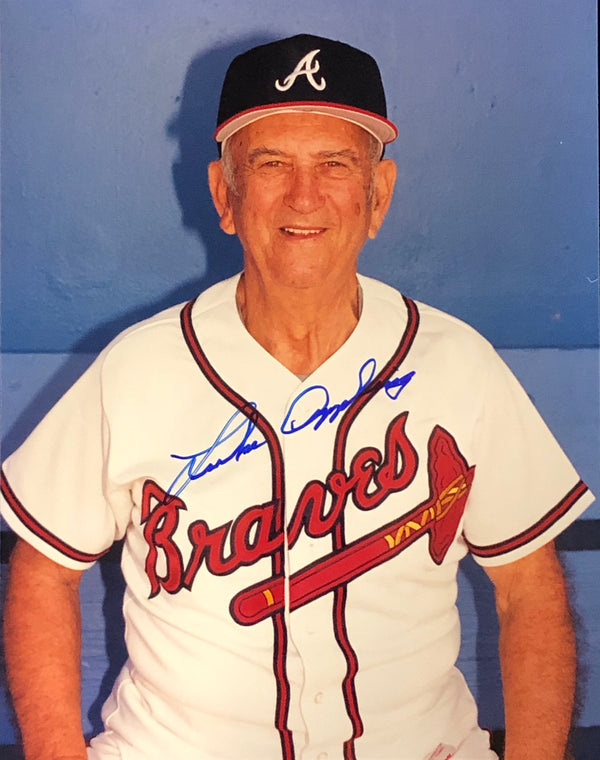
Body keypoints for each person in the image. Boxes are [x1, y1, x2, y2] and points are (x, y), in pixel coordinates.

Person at [1, 33, 594, 760]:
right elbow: (43, 568)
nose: (304, 197)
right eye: (272, 164)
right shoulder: (139, 368)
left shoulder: (458, 365)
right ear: (225, 195)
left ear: (378, 195)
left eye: (336, 165)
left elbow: (529, 588)